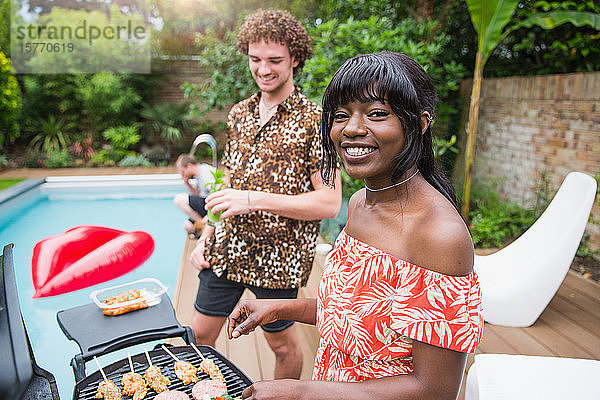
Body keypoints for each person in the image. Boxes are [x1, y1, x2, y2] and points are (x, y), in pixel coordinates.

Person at [227, 51, 484, 400]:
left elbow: (433, 389)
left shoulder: (439, 236)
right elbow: (355, 313)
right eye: (341, 116)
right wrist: (280, 307)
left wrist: (303, 392)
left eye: (377, 114)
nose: (352, 129)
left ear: (420, 124)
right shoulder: (361, 202)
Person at [189, 9, 342, 380]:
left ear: (295, 59)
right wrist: (205, 235)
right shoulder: (239, 114)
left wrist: (252, 198)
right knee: (197, 339)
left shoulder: (314, 121)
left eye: (274, 60)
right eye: (255, 60)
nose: (263, 69)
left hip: (279, 259)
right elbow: (225, 187)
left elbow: (329, 202)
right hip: (226, 248)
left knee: (283, 346)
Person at [174, 154, 215, 236]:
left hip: (212, 205)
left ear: (189, 166)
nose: (183, 174)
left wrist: (209, 215)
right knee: (187, 226)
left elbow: (217, 193)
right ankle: (203, 225)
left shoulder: (205, 174)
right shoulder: (198, 175)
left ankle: (206, 225)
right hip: (206, 203)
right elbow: (197, 196)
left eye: (183, 171)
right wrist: (187, 183)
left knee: (179, 199)